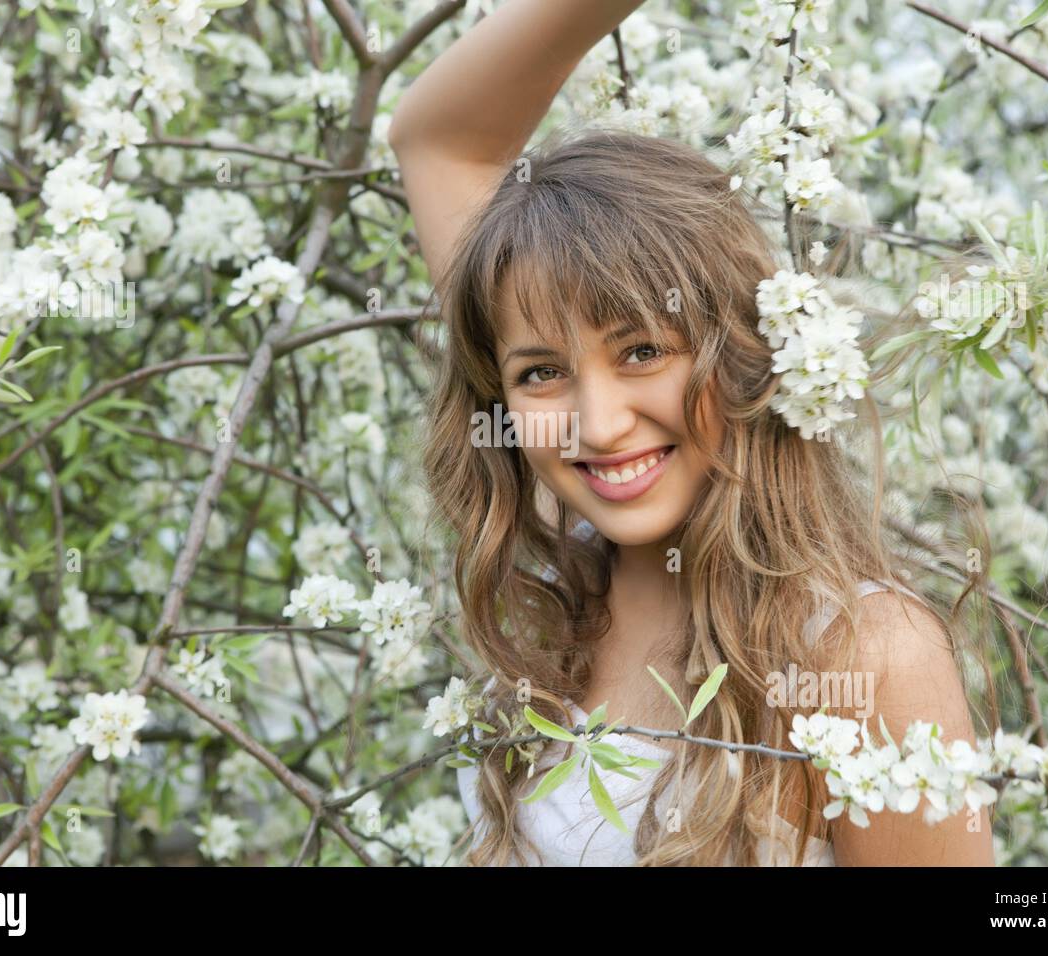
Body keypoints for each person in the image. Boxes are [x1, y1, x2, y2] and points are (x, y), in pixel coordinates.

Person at [390, 0, 995, 866]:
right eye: (540, 372)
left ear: (744, 351)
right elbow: (437, 140)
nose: (597, 427)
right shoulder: (568, 583)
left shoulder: (865, 654)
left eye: (642, 351)